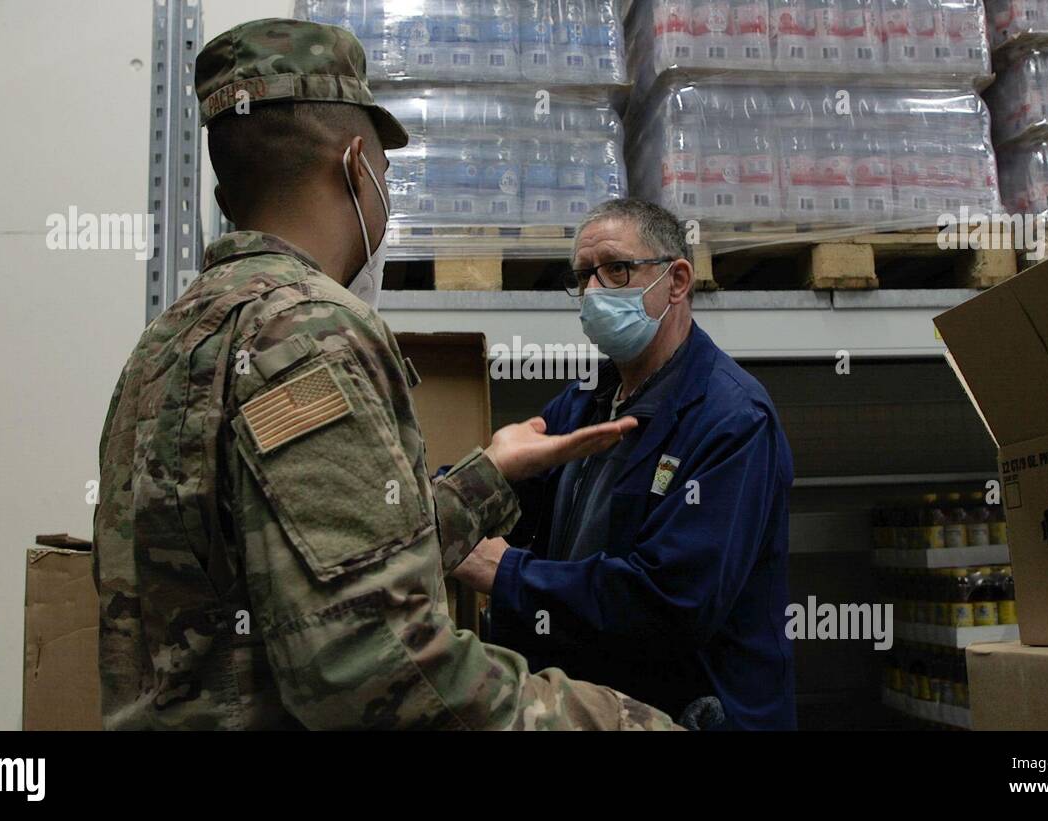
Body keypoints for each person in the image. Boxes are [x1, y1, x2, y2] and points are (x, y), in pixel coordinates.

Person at [92, 18, 675, 731]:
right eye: (387, 176)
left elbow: (310, 561)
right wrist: (622, 723)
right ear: (355, 164)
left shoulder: (162, 345)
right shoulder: (309, 334)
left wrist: (490, 473)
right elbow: (379, 670)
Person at [451, 198, 796, 730]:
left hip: (695, 714)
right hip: (597, 707)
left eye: (615, 269)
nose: (593, 292)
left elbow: (671, 605)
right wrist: (479, 478)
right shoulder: (582, 403)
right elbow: (519, 522)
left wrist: (504, 572)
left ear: (677, 281)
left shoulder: (732, 420)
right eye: (584, 276)